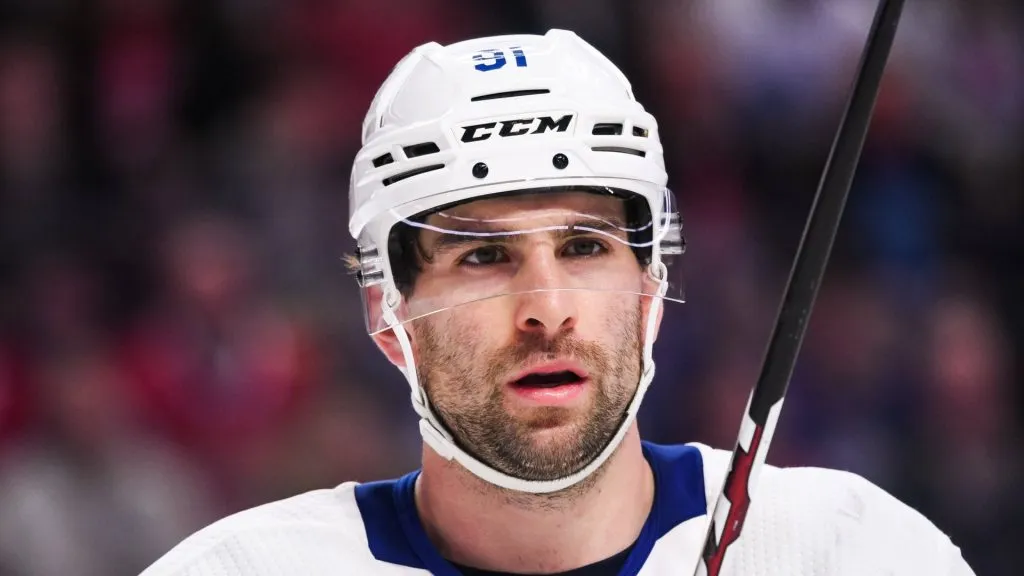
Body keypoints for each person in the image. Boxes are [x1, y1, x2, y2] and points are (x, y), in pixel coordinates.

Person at [141, 29, 975, 576]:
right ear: (384, 311)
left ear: (652, 283)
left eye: (584, 247)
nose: (546, 308)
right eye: (483, 256)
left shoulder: (852, 552)